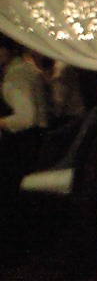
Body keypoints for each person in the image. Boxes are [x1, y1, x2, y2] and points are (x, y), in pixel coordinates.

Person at [0, 34, 49, 258]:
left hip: (25, 144)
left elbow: (25, 119)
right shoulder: (23, 69)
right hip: (38, 140)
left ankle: (11, 248)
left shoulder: (16, 75)